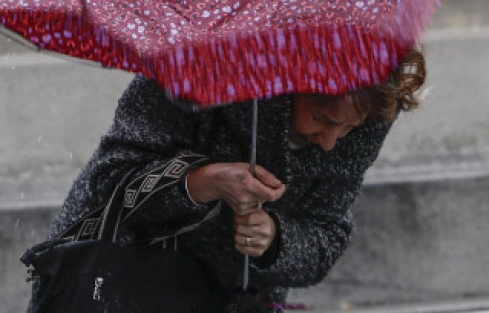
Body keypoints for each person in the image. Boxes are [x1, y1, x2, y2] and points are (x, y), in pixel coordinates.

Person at [43, 48, 426, 312]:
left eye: (347, 128)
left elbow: (326, 231)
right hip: (114, 275)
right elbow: (111, 181)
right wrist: (204, 181)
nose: (329, 143)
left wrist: (275, 239)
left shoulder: (371, 111)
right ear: (295, 82)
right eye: (323, 119)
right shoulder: (197, 63)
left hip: (236, 296)